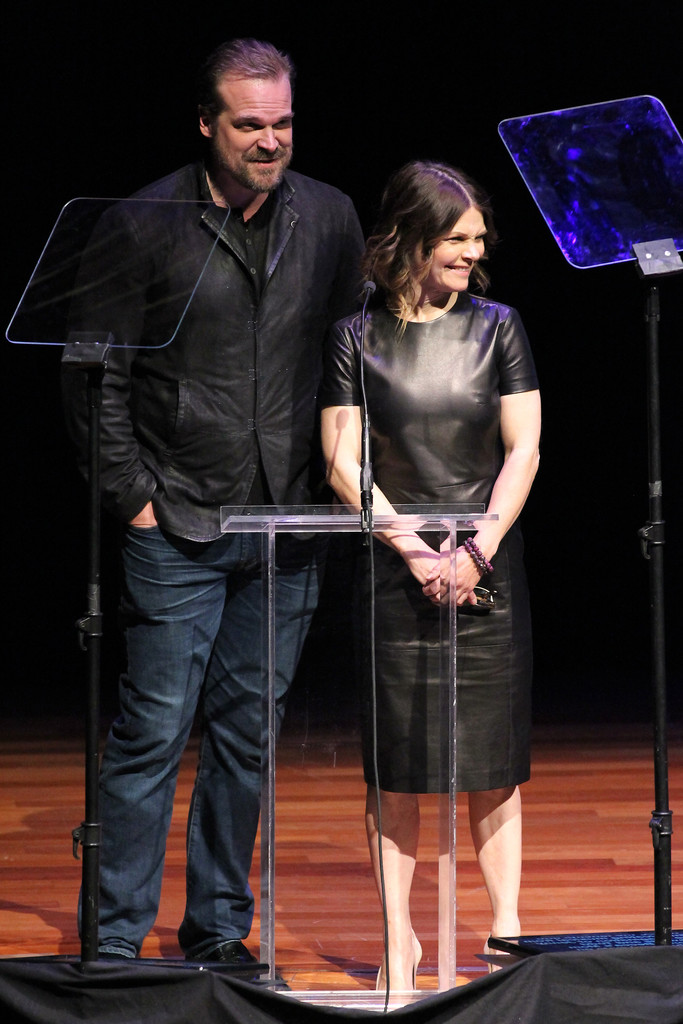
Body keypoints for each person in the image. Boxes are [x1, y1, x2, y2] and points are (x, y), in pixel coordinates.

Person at [62, 38, 364, 964]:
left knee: (247, 740)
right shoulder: (142, 221)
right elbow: (91, 373)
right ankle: (114, 943)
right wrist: (134, 500)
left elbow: (349, 361)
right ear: (207, 124)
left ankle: (218, 933)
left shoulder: (330, 216)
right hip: (179, 520)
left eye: (281, 122)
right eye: (249, 125)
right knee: (152, 733)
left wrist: (340, 478)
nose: (269, 141)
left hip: (287, 525)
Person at [320, 160, 541, 990]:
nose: (472, 252)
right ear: (411, 238)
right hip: (393, 566)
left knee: (492, 763)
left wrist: (475, 550)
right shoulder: (354, 335)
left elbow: (522, 448)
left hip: (487, 564)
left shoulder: (500, 325)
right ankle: (400, 942)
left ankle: (506, 937)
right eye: (456, 238)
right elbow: (343, 462)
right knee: (397, 768)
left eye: (478, 239)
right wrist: (415, 551)